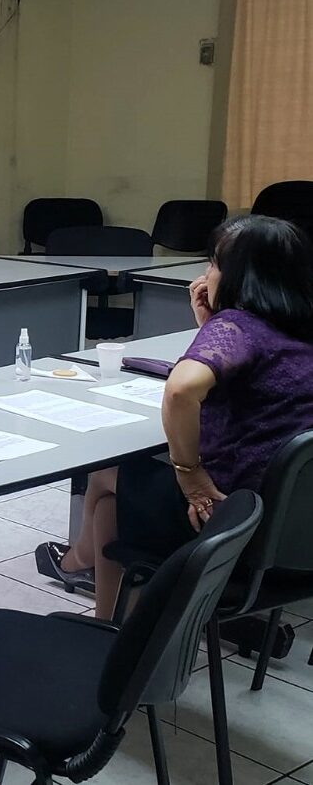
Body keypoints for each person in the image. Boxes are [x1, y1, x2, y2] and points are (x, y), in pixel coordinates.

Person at [36, 215, 313, 619]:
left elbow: (181, 390)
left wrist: (190, 475)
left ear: (242, 277)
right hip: (295, 532)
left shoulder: (239, 325)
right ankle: (84, 571)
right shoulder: (298, 327)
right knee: (121, 489)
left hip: (232, 519)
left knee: (107, 475)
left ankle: (96, 598)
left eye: (213, 264)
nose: (206, 274)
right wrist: (209, 327)